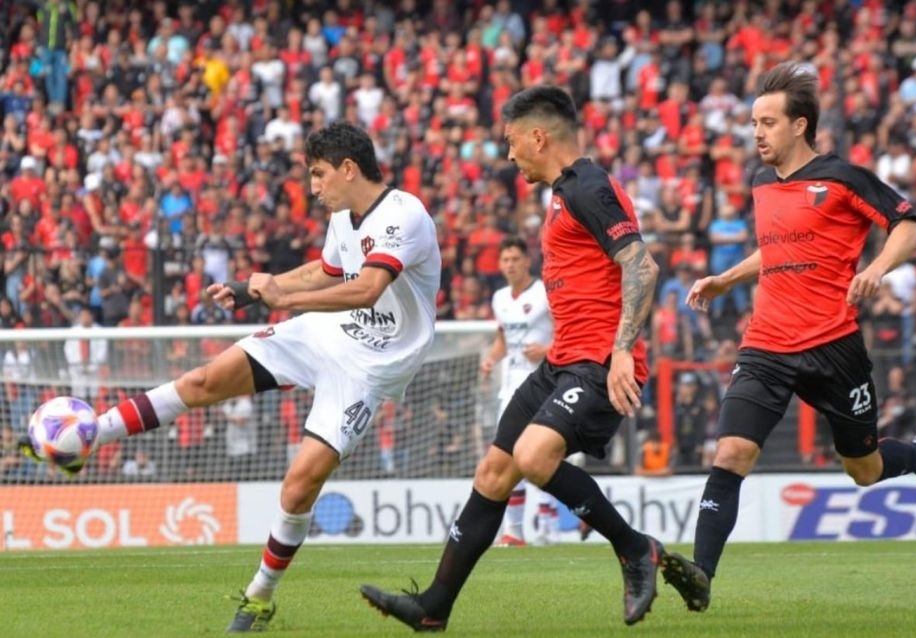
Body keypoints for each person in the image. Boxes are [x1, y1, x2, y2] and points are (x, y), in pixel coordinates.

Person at [24, 122, 441, 633]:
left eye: (318, 174)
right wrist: (252, 289)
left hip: (370, 367)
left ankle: (259, 597)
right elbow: (328, 273)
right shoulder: (342, 218)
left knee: (299, 487)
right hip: (325, 332)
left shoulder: (404, 214)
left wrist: (284, 298)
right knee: (204, 380)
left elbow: (367, 289)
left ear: (348, 169)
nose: (313, 187)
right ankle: (90, 435)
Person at [361, 85, 662, 630]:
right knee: (494, 472)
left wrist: (621, 351)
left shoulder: (588, 186)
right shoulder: (564, 191)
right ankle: (433, 608)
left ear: (538, 137)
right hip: (562, 362)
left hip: (597, 362)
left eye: (512, 141)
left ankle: (635, 548)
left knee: (534, 457)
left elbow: (642, 265)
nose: (509, 153)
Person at [660, 62, 916, 614]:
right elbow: (779, 247)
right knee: (731, 452)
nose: (756, 133)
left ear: (799, 126)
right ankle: (701, 575)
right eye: (754, 122)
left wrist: (877, 268)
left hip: (833, 346)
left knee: (863, 469)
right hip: (767, 343)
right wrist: (727, 278)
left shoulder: (843, 178)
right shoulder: (760, 183)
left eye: (768, 122)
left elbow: (909, 227)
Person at [478, 236, 557, 546]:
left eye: (515, 259)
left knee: (539, 453)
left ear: (527, 261)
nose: (510, 264)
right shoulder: (499, 298)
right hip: (510, 387)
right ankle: (514, 531)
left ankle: (548, 527)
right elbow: (503, 339)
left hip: (543, 382)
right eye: (505, 260)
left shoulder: (545, 293)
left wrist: (548, 350)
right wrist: (491, 359)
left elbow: (568, 330)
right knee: (507, 454)